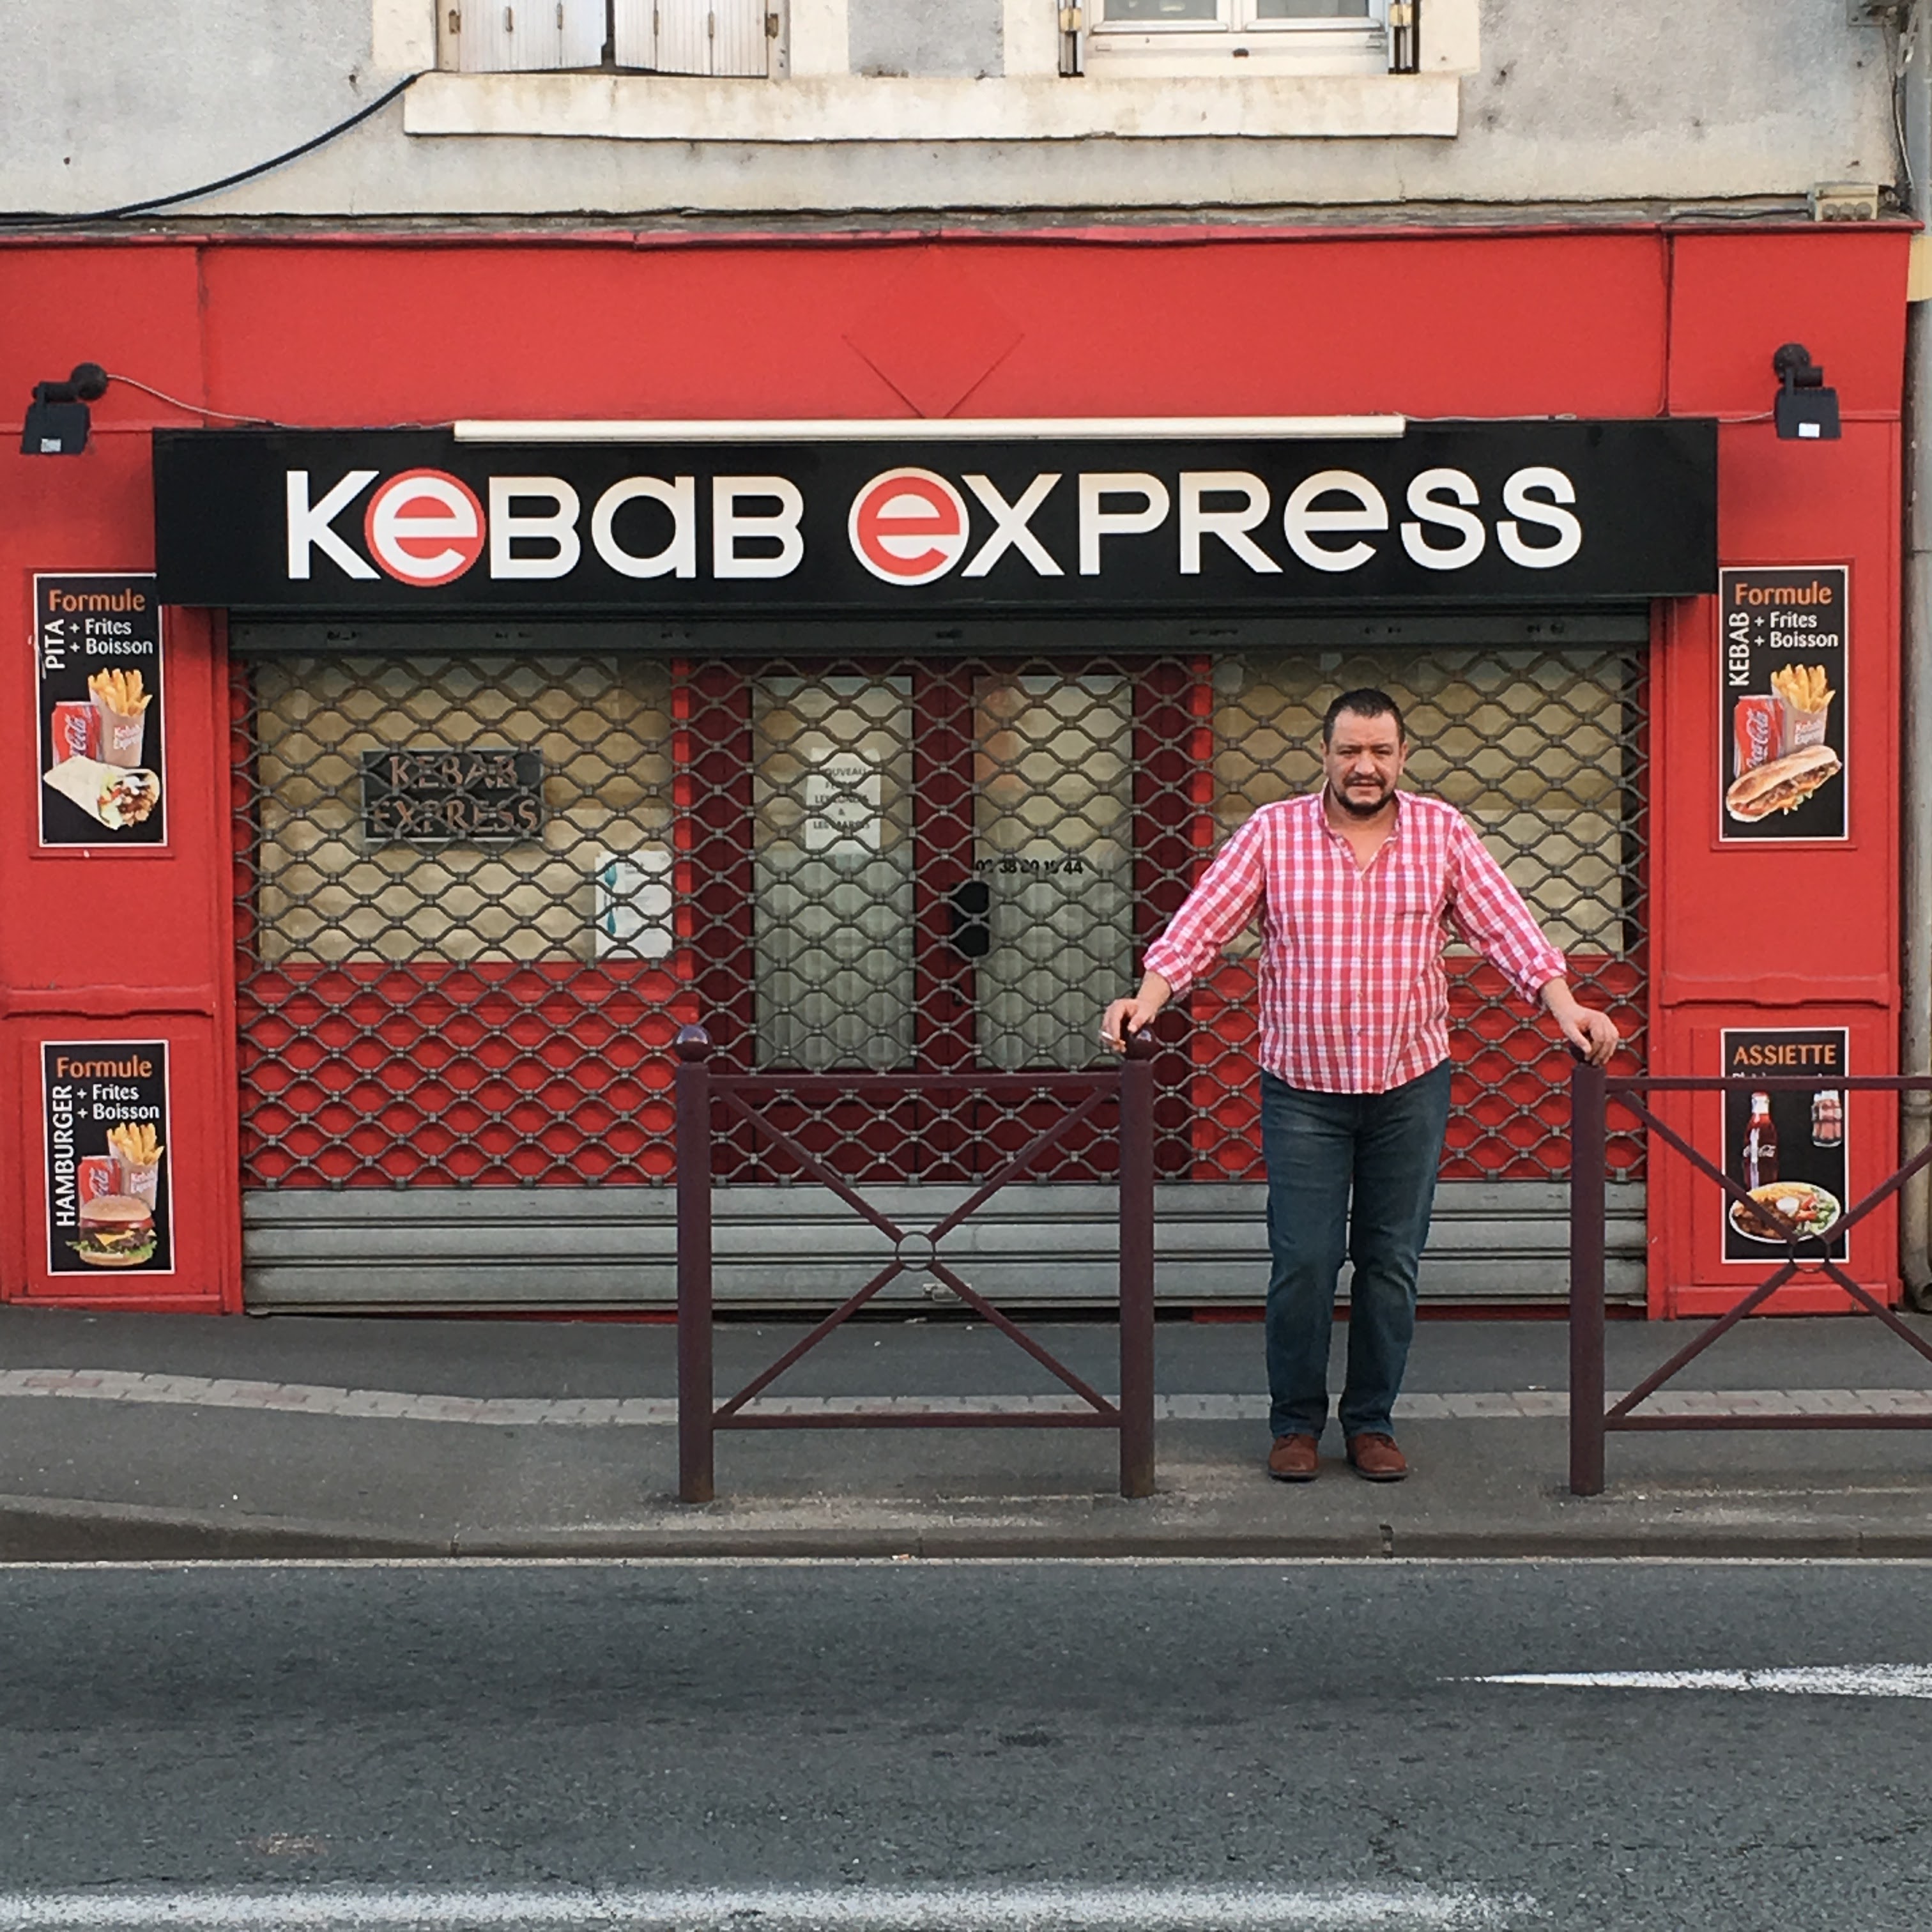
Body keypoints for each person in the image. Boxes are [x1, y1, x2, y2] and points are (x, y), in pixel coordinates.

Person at [1100, 687, 1619, 1484]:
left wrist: (1565, 1006)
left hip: (1409, 1085)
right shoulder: (1274, 832)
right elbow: (1201, 926)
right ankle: (1295, 1424)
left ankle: (1372, 1421)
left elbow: (1509, 929)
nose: (1364, 766)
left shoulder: (1441, 833)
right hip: (1303, 1089)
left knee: (1391, 1263)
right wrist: (1148, 999)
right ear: (1326, 756)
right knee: (1304, 1262)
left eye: (1380, 751)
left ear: (1402, 757)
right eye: (1350, 751)